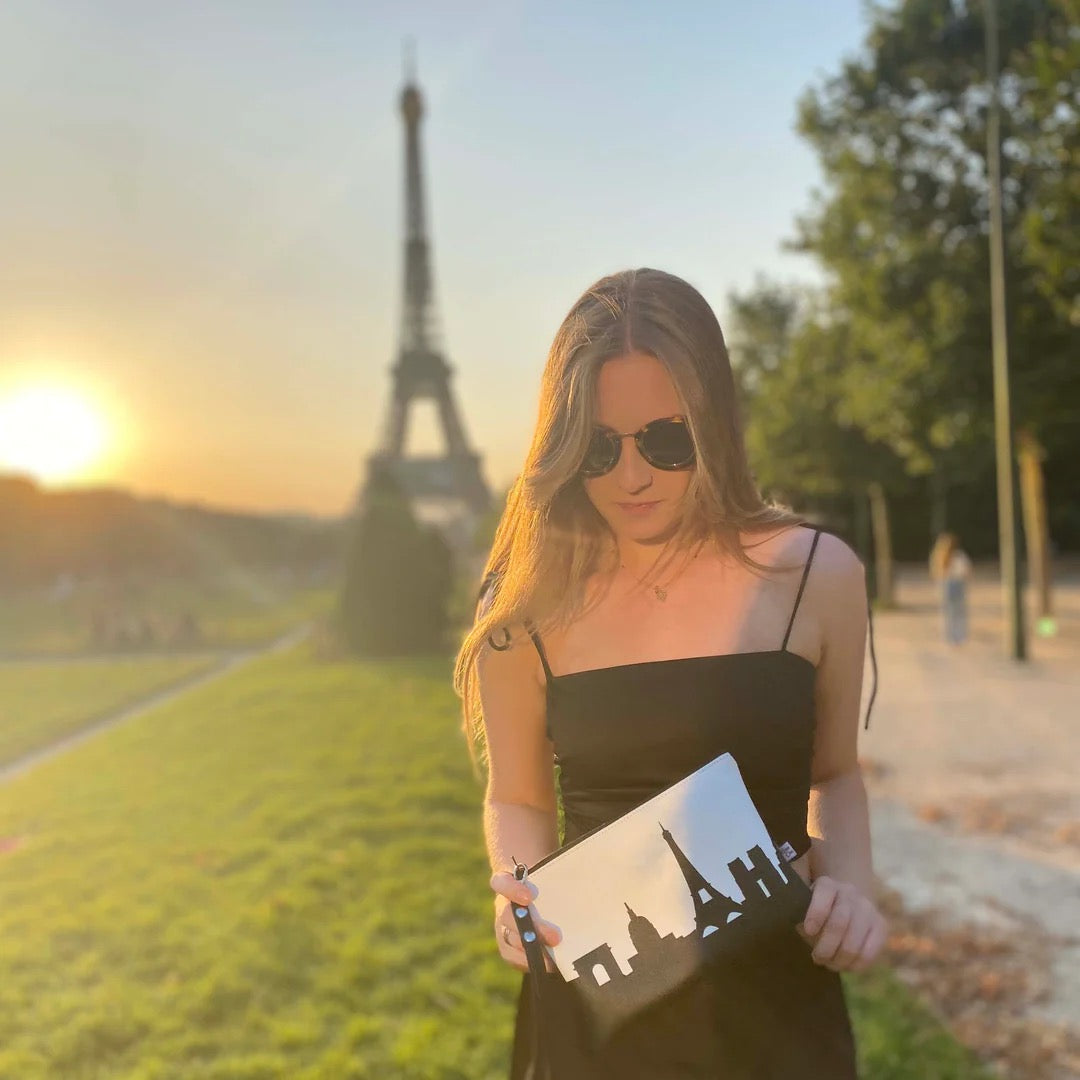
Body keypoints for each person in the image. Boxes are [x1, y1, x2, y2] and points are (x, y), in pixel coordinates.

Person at [453, 268, 886, 1078]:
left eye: (666, 438)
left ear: (716, 423)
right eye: (598, 447)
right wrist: (514, 884)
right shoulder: (522, 607)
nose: (632, 476)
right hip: (597, 1015)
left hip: (775, 1013)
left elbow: (834, 774)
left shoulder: (816, 577)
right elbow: (517, 797)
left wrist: (853, 887)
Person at [929, 532, 973, 646]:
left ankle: (949, 636)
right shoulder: (959, 555)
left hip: (946, 584)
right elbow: (966, 570)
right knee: (959, 611)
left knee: (948, 612)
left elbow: (936, 572)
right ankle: (959, 636)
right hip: (957, 583)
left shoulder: (939, 555)